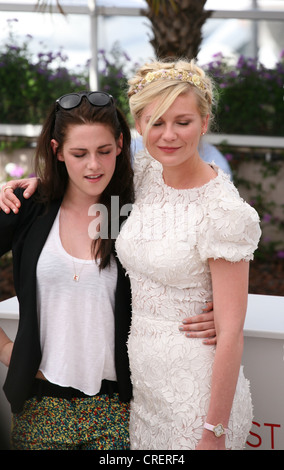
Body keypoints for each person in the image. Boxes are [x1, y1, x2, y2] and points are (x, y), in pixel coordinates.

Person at [0, 90, 216, 450]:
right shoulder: (30, 209)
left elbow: (192, 255)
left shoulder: (129, 212)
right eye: (79, 154)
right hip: (39, 403)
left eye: (103, 151)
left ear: (119, 144)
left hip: (116, 407)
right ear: (57, 151)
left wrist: (214, 313)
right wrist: (7, 347)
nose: (93, 166)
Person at [116, 59, 261, 450]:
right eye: (155, 122)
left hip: (196, 400)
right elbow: (81, 169)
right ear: (139, 124)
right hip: (145, 390)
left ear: (204, 120)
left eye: (183, 121)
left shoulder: (224, 212)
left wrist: (212, 433)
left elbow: (230, 334)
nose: (168, 135)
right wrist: (34, 180)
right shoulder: (146, 170)